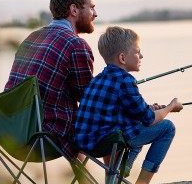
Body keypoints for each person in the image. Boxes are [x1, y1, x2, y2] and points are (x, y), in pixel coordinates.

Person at [74, 26, 184, 184]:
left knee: (136, 121)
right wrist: (171, 107)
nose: (141, 56)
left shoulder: (98, 79)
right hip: (107, 143)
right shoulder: (126, 80)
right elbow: (149, 119)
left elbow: (125, 108)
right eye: (137, 52)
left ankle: (123, 170)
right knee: (167, 128)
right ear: (122, 58)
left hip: (84, 142)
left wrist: (149, 108)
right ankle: (142, 182)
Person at [4, 0, 98, 161]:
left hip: (12, 134)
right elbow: (89, 100)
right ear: (74, 10)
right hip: (44, 139)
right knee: (110, 124)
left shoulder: (31, 38)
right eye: (91, 8)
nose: (95, 13)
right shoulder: (76, 45)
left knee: (75, 118)